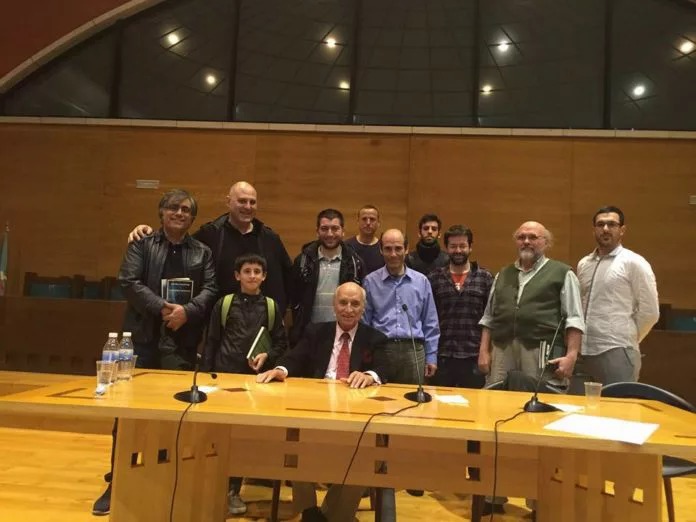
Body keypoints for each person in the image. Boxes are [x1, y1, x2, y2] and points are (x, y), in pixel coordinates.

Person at [92, 189, 218, 516]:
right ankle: (118, 479)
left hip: (182, 342)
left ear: (192, 217)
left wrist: (187, 311)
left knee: (174, 414)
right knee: (128, 412)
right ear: (161, 212)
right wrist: (163, 308)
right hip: (143, 341)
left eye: (186, 209)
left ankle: (164, 478)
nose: (179, 213)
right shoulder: (142, 244)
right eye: (173, 208)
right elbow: (129, 281)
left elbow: (211, 289)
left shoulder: (202, 252)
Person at [476, 221, 584, 516]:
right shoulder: (503, 274)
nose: (526, 241)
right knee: (495, 419)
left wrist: (572, 355)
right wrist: (484, 350)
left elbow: (574, 318)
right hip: (502, 350)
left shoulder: (562, 273)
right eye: (522, 237)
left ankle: (538, 500)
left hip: (540, 352)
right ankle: (495, 493)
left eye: (533, 237)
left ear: (546, 242)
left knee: (538, 422)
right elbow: (489, 316)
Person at [257, 282, 388, 522]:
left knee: (366, 454)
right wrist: (281, 369)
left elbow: (384, 368)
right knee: (293, 444)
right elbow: (295, 357)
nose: (348, 309)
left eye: (355, 304)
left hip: (355, 416)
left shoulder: (375, 338)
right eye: (343, 303)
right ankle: (308, 511)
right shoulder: (316, 332)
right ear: (334, 305)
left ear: (363, 308)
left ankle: (334, 514)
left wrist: (370, 375)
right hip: (315, 410)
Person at [203, 253, 288, 515]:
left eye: (257, 272)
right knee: (220, 435)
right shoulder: (224, 304)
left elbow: (281, 343)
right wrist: (207, 375)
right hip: (225, 378)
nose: (252, 276)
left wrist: (268, 357)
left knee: (243, 438)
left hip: (256, 382)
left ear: (264, 276)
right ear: (237, 275)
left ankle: (233, 490)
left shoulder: (272, 307)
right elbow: (212, 340)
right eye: (247, 271)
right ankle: (212, 485)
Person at [128, 181, 292, 315]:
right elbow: (176, 241)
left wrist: (280, 315)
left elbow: (288, 278)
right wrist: (146, 232)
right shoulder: (210, 234)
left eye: (252, 202)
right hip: (219, 325)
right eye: (242, 201)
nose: (248, 206)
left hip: (263, 323)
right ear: (228, 202)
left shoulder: (271, 239)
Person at [576, 206, 659, 384]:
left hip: (617, 349)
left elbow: (650, 312)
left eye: (612, 224)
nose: (605, 229)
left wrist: (627, 337)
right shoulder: (584, 264)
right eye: (600, 225)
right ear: (594, 230)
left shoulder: (634, 262)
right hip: (583, 351)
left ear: (622, 230)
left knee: (619, 401)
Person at [428, 225, 493, 389]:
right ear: (446, 248)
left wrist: (486, 352)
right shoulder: (434, 278)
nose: (458, 250)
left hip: (474, 356)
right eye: (453, 246)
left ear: (470, 247)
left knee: (474, 403)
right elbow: (428, 319)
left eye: (462, 246)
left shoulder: (485, 278)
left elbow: (490, 318)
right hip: (442, 356)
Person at [289, 209, 364, 345]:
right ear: (317, 231)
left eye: (335, 228)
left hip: (343, 335)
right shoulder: (302, 261)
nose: (330, 234)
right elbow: (294, 298)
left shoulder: (355, 263)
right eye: (324, 229)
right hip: (309, 334)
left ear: (343, 231)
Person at [344, 204, 385, 275]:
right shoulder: (346, 246)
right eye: (364, 219)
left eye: (372, 219)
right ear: (358, 222)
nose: (368, 223)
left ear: (378, 223)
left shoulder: (384, 248)